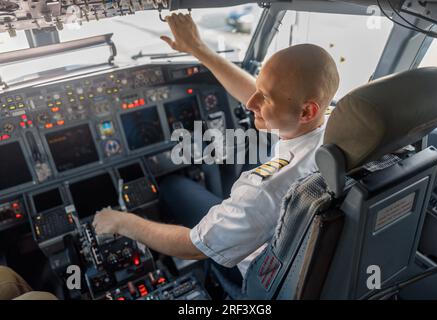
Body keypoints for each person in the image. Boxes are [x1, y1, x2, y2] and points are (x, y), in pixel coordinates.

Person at [93, 13, 340, 282]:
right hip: (310, 265)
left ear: (306, 111)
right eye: (257, 89)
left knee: (172, 186)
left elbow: (193, 246)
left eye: (264, 98)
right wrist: (197, 49)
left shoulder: (263, 191)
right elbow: (261, 98)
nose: (249, 103)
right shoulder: (338, 127)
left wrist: (120, 221)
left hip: (259, 275)